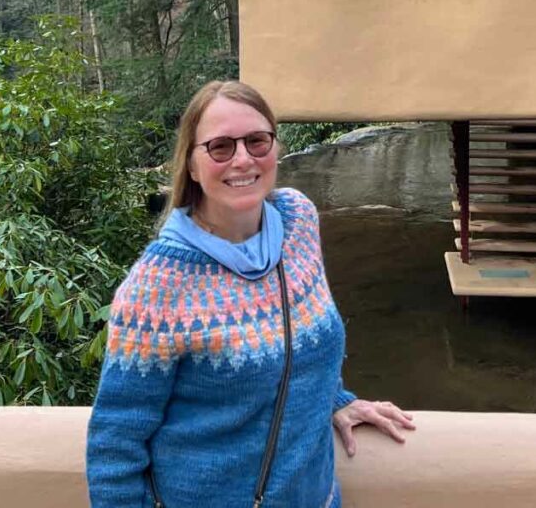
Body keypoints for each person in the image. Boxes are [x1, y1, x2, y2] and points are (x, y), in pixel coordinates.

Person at [87, 80, 414, 508]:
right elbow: (116, 443)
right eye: (221, 147)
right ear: (190, 163)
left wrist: (334, 399)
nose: (243, 159)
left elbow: (301, 332)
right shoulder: (157, 287)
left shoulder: (298, 219)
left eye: (257, 141)